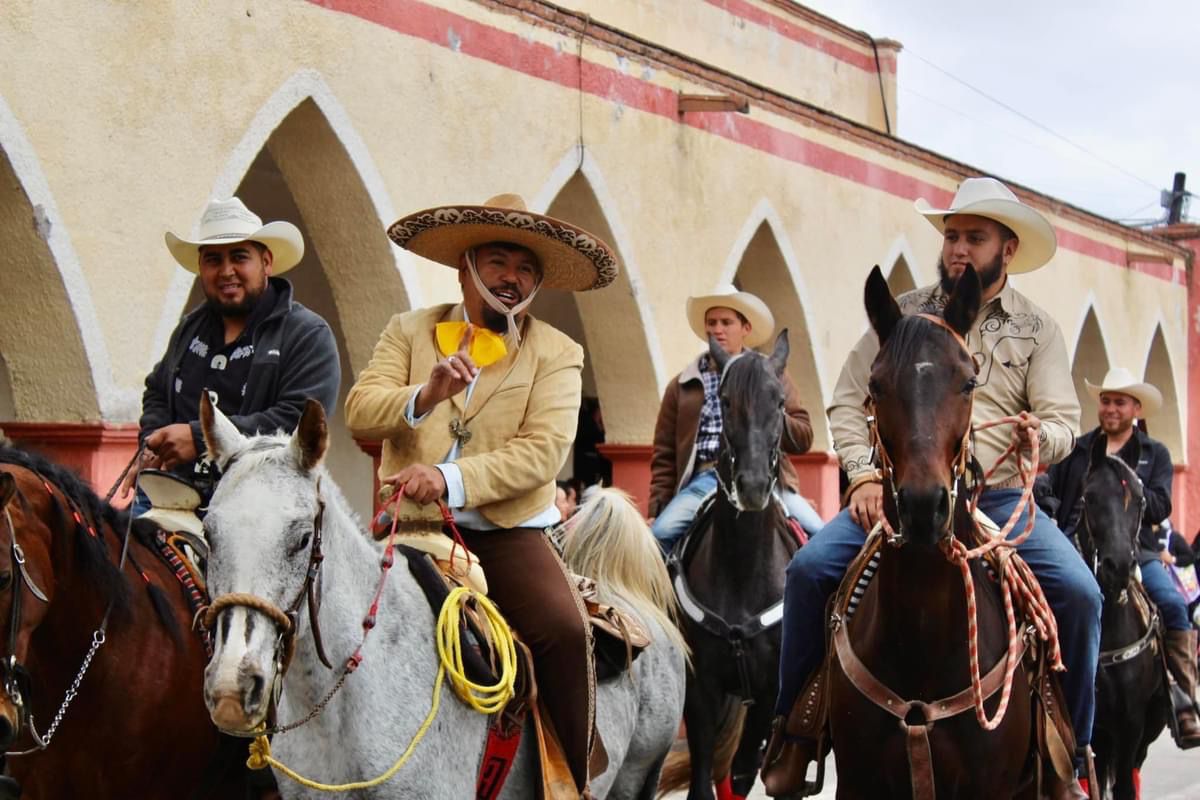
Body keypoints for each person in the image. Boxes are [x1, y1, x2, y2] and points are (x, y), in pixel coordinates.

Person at [764, 177, 1099, 800]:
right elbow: (847, 400)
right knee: (808, 572)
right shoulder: (903, 315)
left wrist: (1038, 437)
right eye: (952, 236)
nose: (959, 249)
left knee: (1080, 596)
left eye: (975, 237)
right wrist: (864, 475)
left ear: (1008, 249)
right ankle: (794, 734)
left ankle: (1071, 756)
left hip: (998, 498)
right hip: (899, 495)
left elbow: (1063, 421)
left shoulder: (1037, 329)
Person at [344, 193, 618, 796]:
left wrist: (449, 479)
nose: (510, 278)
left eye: (525, 268)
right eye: (497, 262)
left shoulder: (559, 352)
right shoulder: (408, 330)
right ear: (465, 268)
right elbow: (359, 411)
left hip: (505, 535)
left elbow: (544, 452)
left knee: (565, 631)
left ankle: (571, 783)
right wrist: (425, 394)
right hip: (409, 526)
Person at [126, 197, 340, 508]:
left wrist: (199, 438)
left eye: (239, 257)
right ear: (201, 268)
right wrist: (153, 444)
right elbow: (157, 390)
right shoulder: (189, 328)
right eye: (213, 260)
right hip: (170, 494)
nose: (226, 271)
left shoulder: (306, 334)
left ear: (266, 262)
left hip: (260, 508)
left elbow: (295, 420)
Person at [1042, 367, 1200, 747]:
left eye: (1120, 402)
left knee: (1173, 605)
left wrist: (1126, 483)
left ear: (1136, 409)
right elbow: (1051, 492)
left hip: (1136, 551)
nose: (1111, 408)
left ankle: (1182, 696)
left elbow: (1161, 505)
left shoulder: (1154, 454)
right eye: (1106, 401)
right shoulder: (1077, 450)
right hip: (1075, 550)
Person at [648, 285, 822, 554]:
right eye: (711, 323)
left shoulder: (772, 375)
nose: (717, 329)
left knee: (820, 536)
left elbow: (803, 438)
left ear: (746, 328)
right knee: (657, 537)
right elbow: (665, 454)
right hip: (703, 480)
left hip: (768, 477)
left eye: (726, 322)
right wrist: (656, 508)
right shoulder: (682, 385)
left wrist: (771, 411)